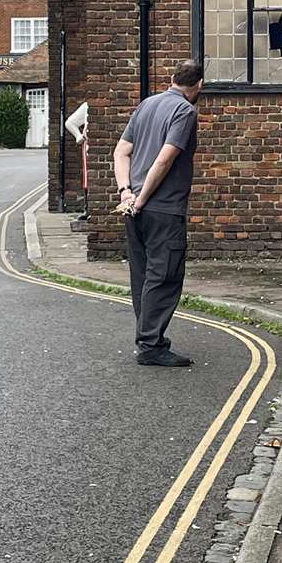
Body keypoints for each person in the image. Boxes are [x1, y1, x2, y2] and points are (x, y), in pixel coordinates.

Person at [112, 61, 203, 368]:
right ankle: (150, 345)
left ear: (171, 79)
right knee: (164, 275)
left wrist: (126, 192)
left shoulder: (147, 105)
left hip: (133, 207)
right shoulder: (185, 112)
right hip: (162, 208)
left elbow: (121, 151)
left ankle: (148, 338)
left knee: (143, 275)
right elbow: (164, 161)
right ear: (198, 86)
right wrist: (143, 198)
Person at [65, 101, 89, 219]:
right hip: (89, 149)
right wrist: (79, 136)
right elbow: (70, 123)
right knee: (87, 178)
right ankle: (88, 208)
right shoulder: (86, 106)